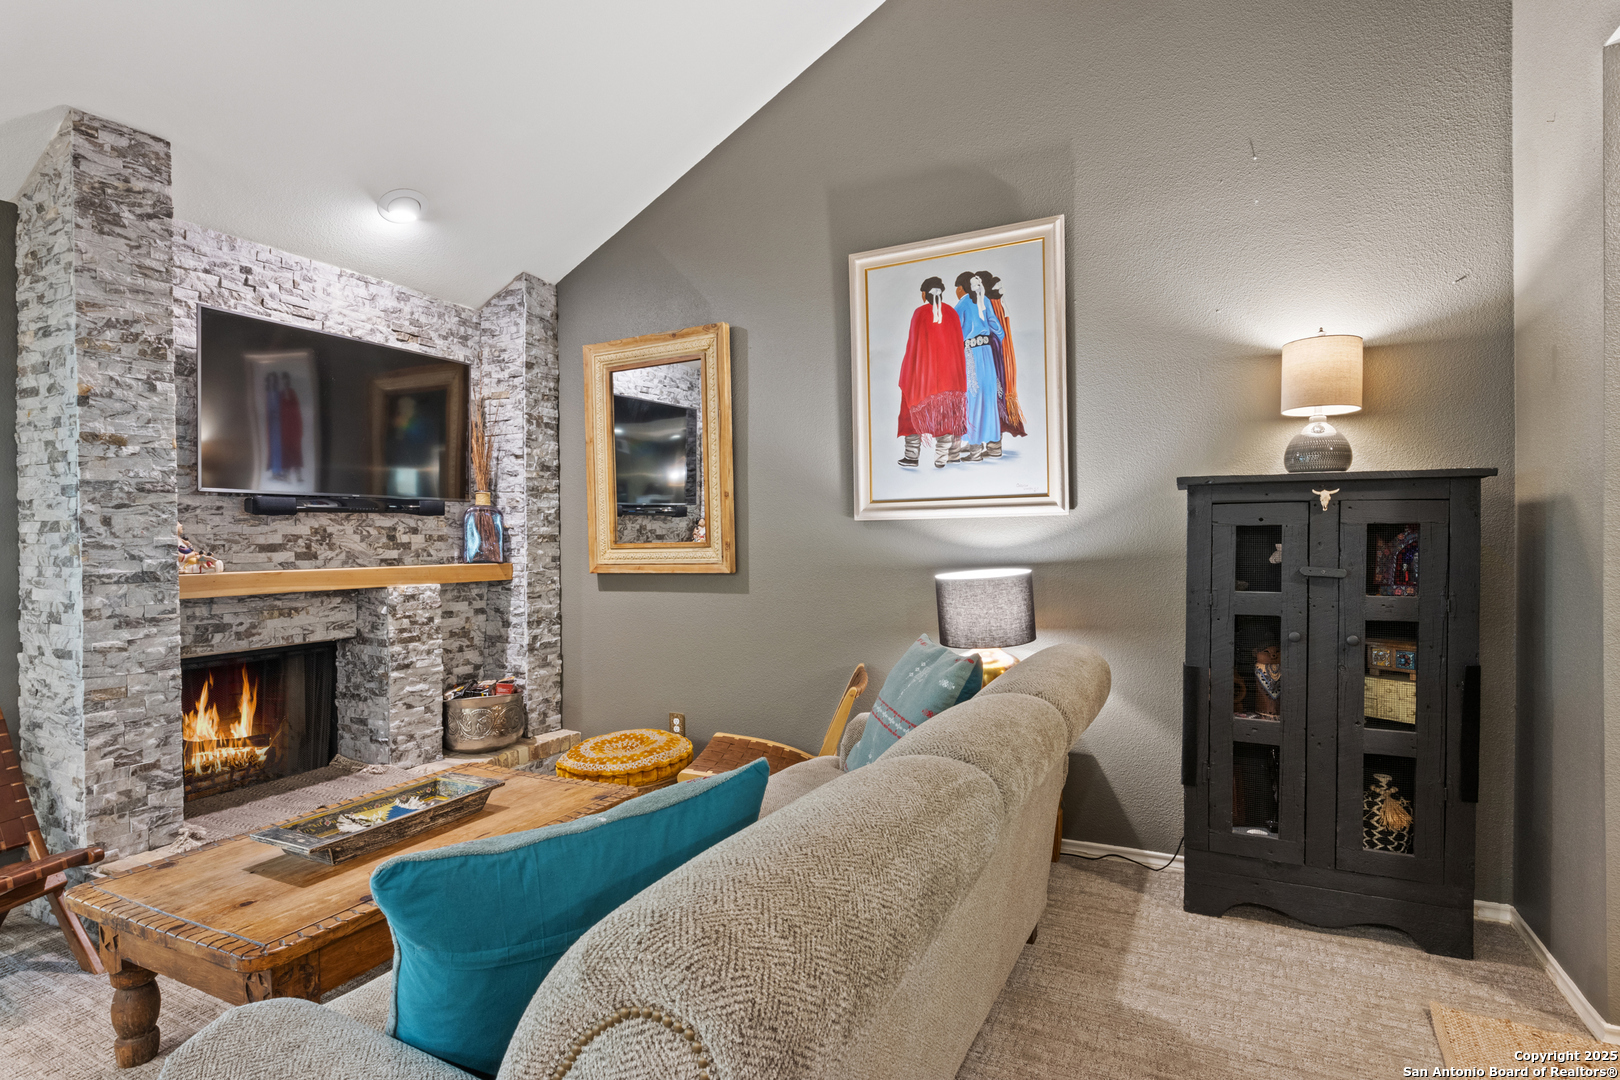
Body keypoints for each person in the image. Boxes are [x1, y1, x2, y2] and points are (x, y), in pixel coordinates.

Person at [896, 275, 968, 468]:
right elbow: (958, 348)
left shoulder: (920, 313)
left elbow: (913, 347)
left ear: (923, 295)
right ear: (942, 293)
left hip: (922, 377)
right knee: (947, 412)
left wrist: (907, 375)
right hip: (950, 379)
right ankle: (945, 456)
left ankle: (912, 456)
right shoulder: (952, 313)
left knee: (909, 409)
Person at [954, 271, 1004, 461]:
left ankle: (975, 450)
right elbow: (997, 329)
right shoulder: (986, 301)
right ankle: (993, 445)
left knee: (973, 397)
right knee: (988, 396)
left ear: (963, 288)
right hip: (987, 353)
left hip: (971, 354)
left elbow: (955, 330)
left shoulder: (963, 303)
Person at [975, 270, 1027, 452]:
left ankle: (993, 443)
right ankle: (987, 442)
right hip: (1001, 355)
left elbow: (995, 332)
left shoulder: (990, 304)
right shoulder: (995, 303)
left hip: (994, 356)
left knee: (992, 396)